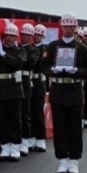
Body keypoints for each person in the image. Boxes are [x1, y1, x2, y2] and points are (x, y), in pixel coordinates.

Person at [42, 13, 87, 173]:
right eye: (66, 26)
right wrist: (53, 71)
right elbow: (44, 66)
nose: (68, 30)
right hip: (58, 89)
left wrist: (76, 71)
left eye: (72, 27)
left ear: (75, 28)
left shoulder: (82, 48)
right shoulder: (52, 46)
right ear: (61, 27)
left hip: (74, 90)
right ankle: (62, 160)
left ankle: (74, 161)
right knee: (60, 126)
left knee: (74, 127)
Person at [0, 23, 27, 162]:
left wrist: (3, 54)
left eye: (12, 35)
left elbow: (17, 63)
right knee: (1, 119)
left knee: (14, 119)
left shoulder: (20, 50)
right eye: (7, 35)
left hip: (14, 88)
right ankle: (5, 146)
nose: (9, 38)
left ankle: (15, 147)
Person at [29, 24, 49, 152]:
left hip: (39, 81)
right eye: (35, 34)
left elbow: (42, 63)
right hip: (29, 81)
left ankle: (40, 138)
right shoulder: (28, 48)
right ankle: (30, 137)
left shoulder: (45, 49)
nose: (37, 37)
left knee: (38, 111)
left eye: (40, 35)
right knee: (29, 111)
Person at [19, 23, 39, 155]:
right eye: (23, 34)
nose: (25, 37)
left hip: (26, 81)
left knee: (25, 112)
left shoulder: (33, 50)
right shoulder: (16, 48)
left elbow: (28, 62)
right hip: (14, 81)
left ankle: (25, 140)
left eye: (27, 35)